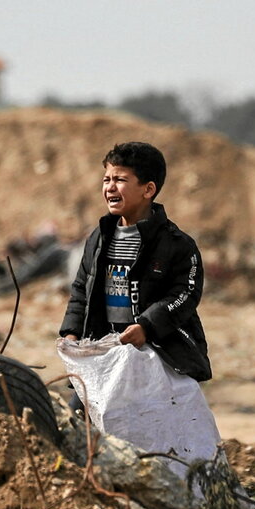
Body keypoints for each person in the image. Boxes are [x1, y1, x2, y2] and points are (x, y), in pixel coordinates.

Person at [59, 141, 211, 382]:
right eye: (106, 179)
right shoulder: (98, 239)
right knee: (83, 414)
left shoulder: (177, 244)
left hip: (158, 352)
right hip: (105, 349)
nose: (110, 187)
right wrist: (71, 334)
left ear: (148, 189)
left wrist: (147, 328)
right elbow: (81, 291)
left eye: (120, 180)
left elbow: (184, 295)